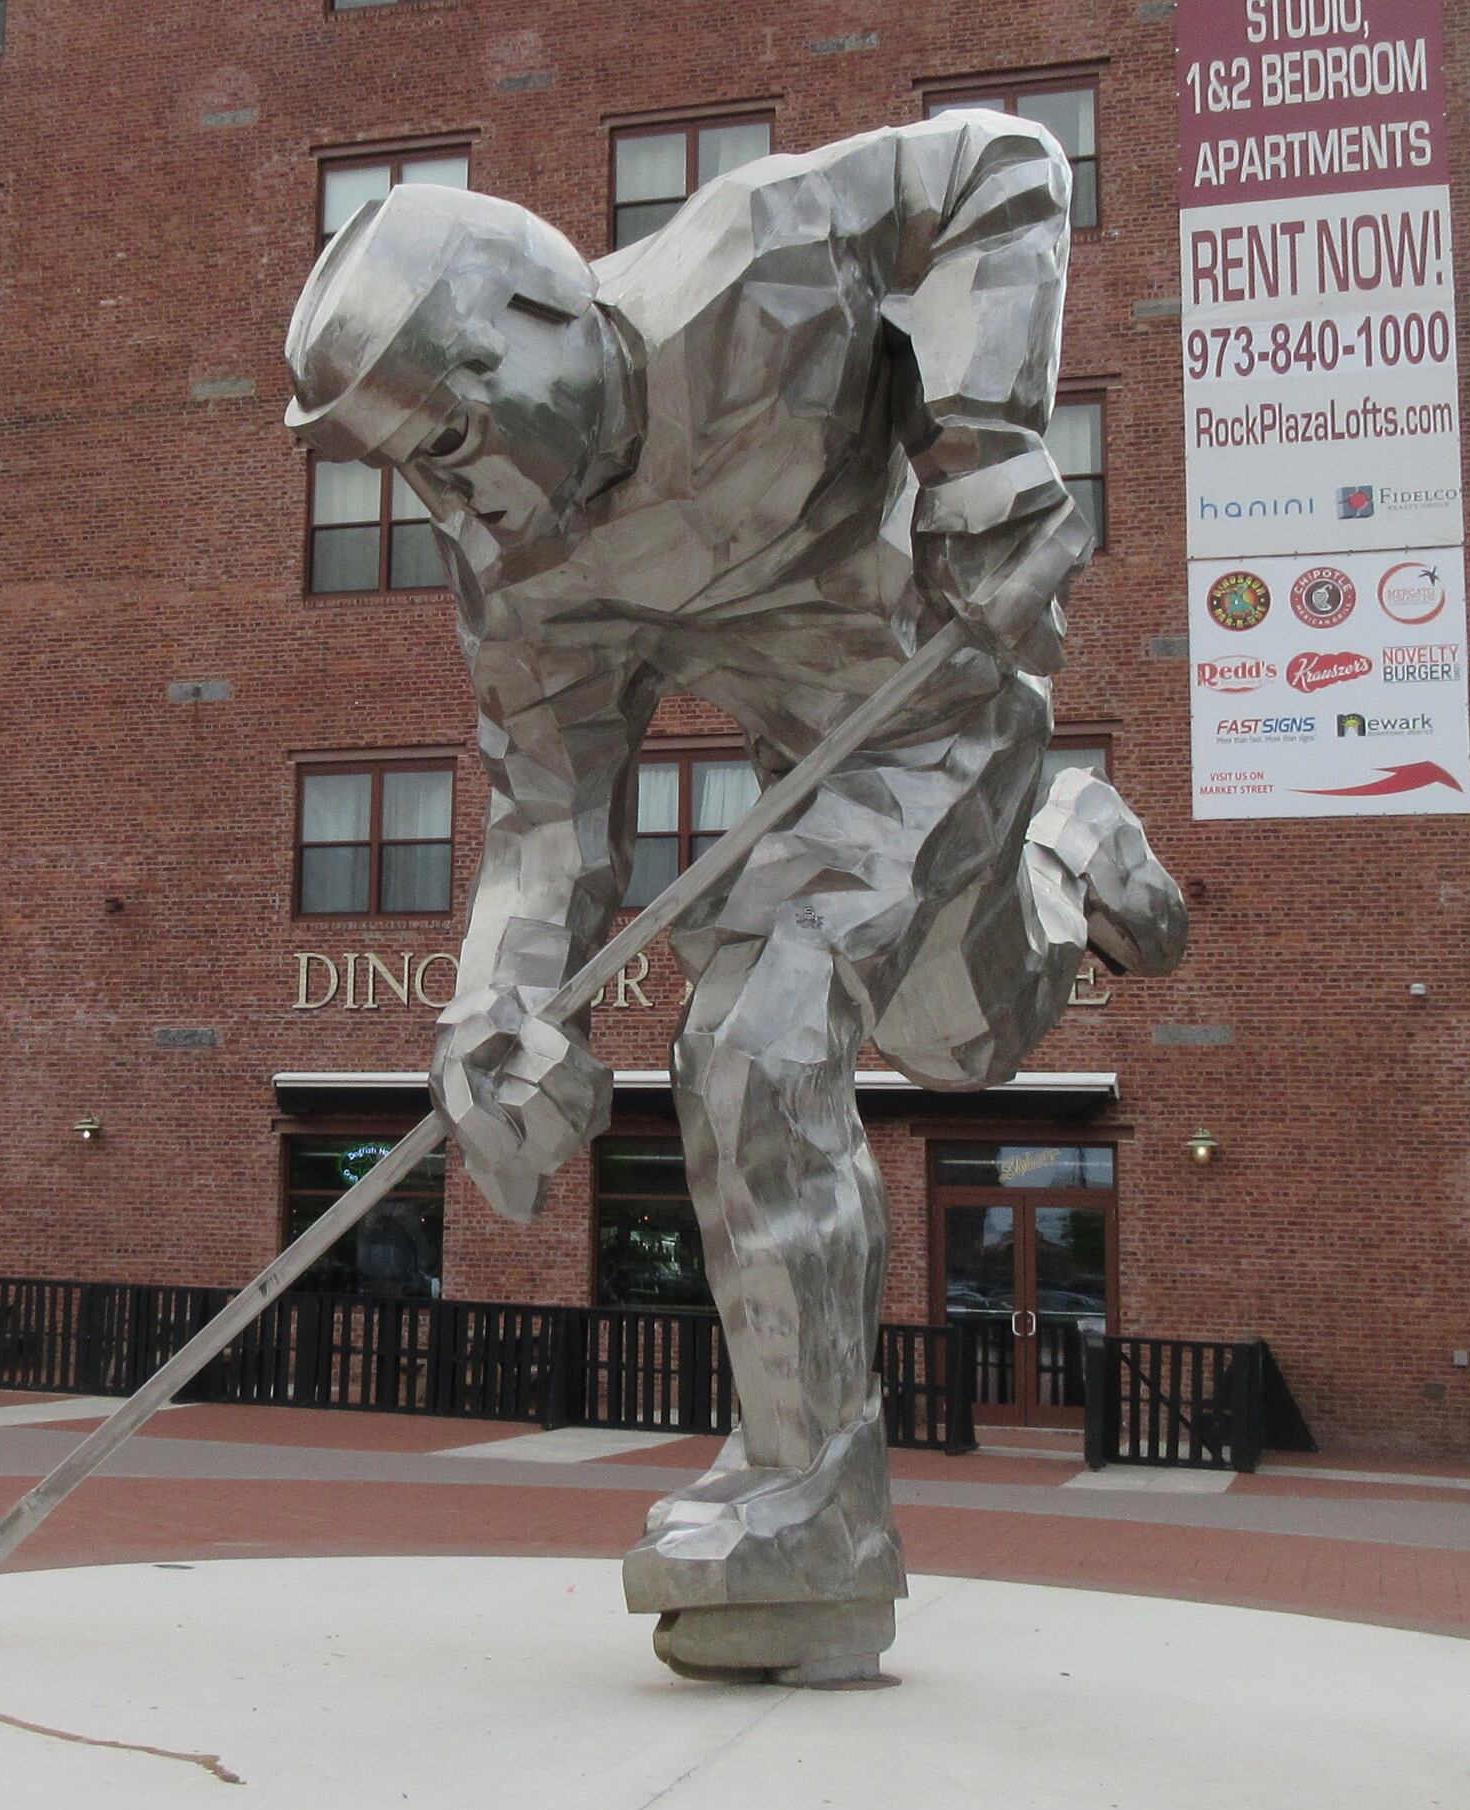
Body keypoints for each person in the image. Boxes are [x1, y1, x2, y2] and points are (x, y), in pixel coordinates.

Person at [282, 111, 1187, 1683]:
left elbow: (1003, 165)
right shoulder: (517, 577)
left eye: (443, 444)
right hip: (818, 758)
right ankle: (1066, 854)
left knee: (754, 1039)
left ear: (541, 328)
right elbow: (549, 821)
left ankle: (814, 1506)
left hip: (949, 670)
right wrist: (496, 1010)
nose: (450, 501)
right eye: (403, 474)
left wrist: (982, 441)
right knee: (960, 1045)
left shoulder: (748, 264)